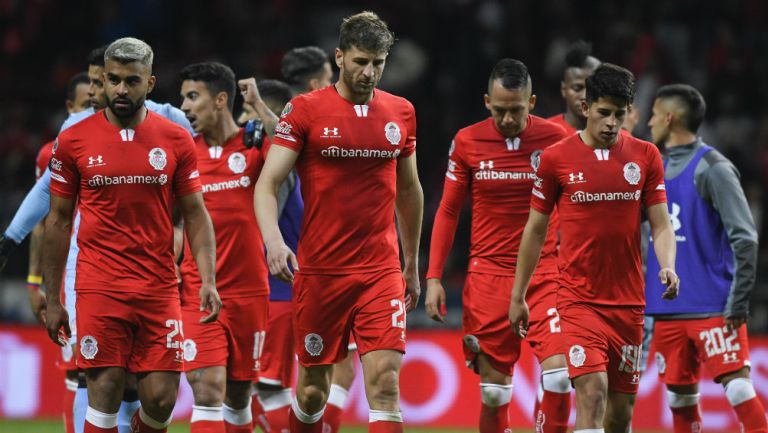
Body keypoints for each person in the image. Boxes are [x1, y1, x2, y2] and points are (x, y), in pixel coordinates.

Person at [253, 11, 423, 433]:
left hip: (379, 271)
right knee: (312, 391)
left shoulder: (401, 112)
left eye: (378, 63)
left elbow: (409, 191)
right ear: (340, 57)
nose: (369, 73)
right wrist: (274, 242)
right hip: (321, 273)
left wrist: (412, 263)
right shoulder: (306, 110)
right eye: (361, 61)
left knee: (385, 383)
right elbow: (267, 184)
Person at [43, 37, 221, 433]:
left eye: (132, 81)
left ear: (150, 83)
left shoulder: (176, 139)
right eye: (114, 80)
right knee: (103, 392)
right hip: (99, 285)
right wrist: (52, 295)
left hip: (158, 286)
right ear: (102, 80)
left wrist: (208, 280)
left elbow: (195, 214)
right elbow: (57, 221)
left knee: (160, 401)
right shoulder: (73, 141)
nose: (122, 90)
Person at [509, 63, 680, 433]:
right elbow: (535, 230)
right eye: (604, 113)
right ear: (586, 108)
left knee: (619, 416)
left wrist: (668, 265)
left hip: (629, 303)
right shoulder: (556, 159)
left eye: (620, 115)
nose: (611, 123)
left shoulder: (646, 156)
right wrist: (518, 295)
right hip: (577, 301)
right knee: (592, 392)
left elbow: (662, 224)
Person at [425, 58, 570, 433]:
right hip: (488, 276)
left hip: (546, 274)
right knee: (494, 394)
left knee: (558, 376)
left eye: (517, 110)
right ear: (487, 102)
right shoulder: (468, 141)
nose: (507, 119)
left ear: (532, 103)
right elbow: (448, 211)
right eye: (500, 110)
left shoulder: (557, 141)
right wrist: (434, 276)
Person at [646, 84, 768, 433]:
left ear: (669, 118)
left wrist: (739, 299)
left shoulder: (713, 167)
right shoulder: (653, 169)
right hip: (668, 309)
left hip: (714, 307)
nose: (650, 121)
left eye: (654, 114)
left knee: (740, 388)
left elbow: (745, 236)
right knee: (680, 401)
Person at [175, 62, 269, 433]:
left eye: (192, 96)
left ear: (220, 100)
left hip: (250, 291)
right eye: (183, 97)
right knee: (208, 389)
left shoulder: (254, 145)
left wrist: (260, 107)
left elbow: (296, 152)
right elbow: (172, 221)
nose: (184, 106)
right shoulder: (184, 154)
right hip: (198, 290)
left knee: (238, 395)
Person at [23, 70, 91, 433]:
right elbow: (41, 221)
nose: (90, 113)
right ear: (69, 107)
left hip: (111, 273)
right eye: (84, 106)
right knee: (76, 371)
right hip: (68, 277)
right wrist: (37, 283)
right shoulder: (51, 154)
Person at [547, 40, 600, 134]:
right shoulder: (546, 132)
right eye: (577, 88)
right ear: (563, 89)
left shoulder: (611, 136)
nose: (584, 96)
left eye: (592, 88)